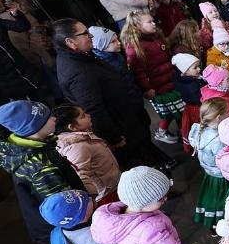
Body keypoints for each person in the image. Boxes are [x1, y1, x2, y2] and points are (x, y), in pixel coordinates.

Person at [55, 19, 171, 171]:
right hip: (121, 129)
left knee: (146, 153)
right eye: (85, 33)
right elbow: (94, 108)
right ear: (70, 41)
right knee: (141, 165)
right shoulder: (78, 71)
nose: (90, 36)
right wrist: (113, 136)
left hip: (126, 120)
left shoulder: (80, 57)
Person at [0, 100, 85, 244]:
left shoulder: (21, 146)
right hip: (65, 225)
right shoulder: (41, 167)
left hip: (45, 221)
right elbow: (65, 205)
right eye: (48, 117)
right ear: (35, 128)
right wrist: (85, 213)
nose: (54, 118)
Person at [121, 11, 184, 145]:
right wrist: (147, 88)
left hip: (170, 80)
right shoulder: (135, 46)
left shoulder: (156, 37)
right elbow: (138, 72)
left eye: (153, 20)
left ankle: (183, 131)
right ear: (138, 25)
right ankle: (167, 132)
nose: (154, 23)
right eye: (149, 22)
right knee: (172, 111)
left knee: (177, 109)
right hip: (157, 87)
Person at [53, 105, 121, 204]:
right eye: (83, 116)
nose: (88, 115)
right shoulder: (77, 147)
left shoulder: (83, 136)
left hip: (113, 186)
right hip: (106, 195)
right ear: (72, 127)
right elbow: (81, 175)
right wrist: (91, 199)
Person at [189, 98, 229, 232]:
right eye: (228, 113)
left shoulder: (198, 130)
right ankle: (224, 224)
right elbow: (226, 161)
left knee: (213, 199)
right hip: (222, 176)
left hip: (209, 174)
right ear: (219, 117)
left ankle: (214, 225)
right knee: (224, 199)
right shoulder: (219, 139)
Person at [170, 52, 204, 154]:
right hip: (197, 110)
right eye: (195, 68)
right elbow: (198, 99)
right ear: (184, 71)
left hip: (193, 108)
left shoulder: (191, 79)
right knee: (200, 128)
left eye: (198, 66)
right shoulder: (190, 85)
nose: (199, 69)